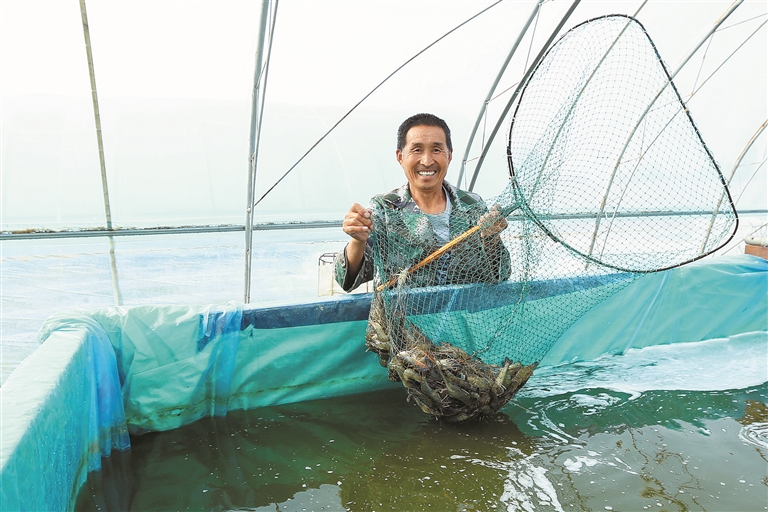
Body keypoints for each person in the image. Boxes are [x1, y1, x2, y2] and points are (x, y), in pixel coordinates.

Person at [334, 113, 511, 292]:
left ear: (449, 155)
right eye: (417, 150)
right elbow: (346, 280)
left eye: (436, 150)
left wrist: (491, 239)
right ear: (400, 157)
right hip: (404, 320)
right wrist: (358, 239)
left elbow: (500, 275)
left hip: (464, 317)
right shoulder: (385, 208)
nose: (427, 161)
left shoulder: (472, 205)